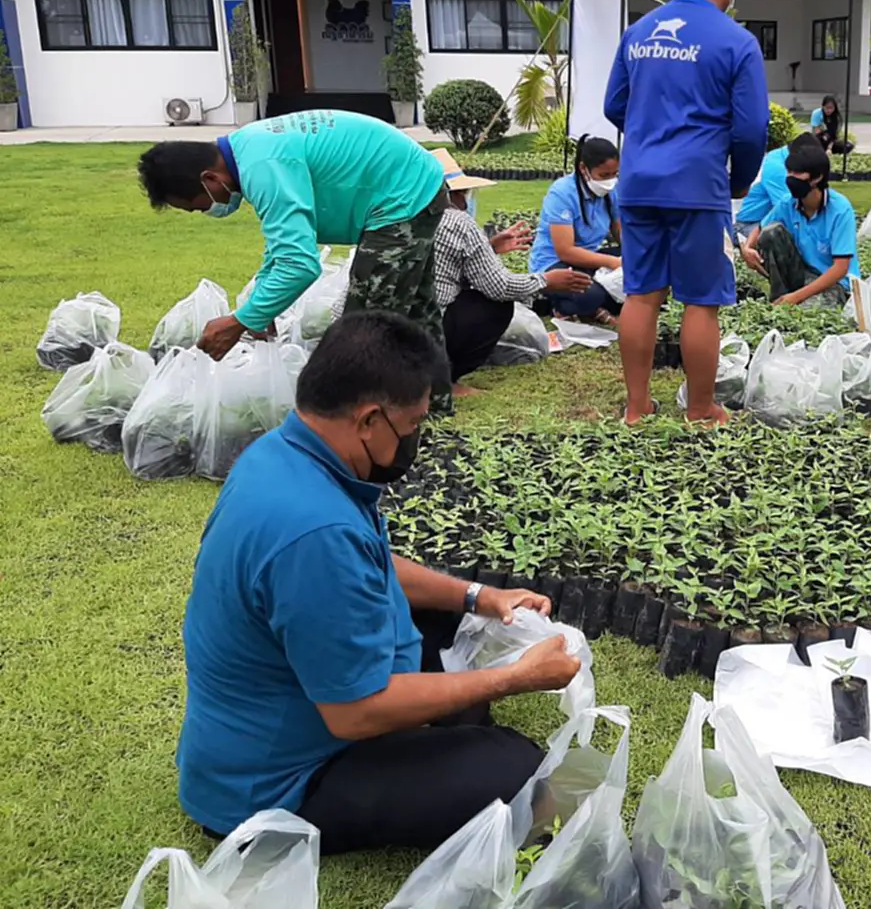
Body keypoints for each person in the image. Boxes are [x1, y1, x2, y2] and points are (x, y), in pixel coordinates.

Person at [176, 311, 580, 855]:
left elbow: (372, 564)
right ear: (369, 420)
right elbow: (355, 713)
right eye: (411, 426)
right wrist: (511, 678)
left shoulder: (284, 455)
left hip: (264, 729)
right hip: (275, 789)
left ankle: (443, 719)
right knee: (520, 772)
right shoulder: (314, 533)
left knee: (447, 618)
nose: (415, 438)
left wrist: (481, 597)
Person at [137, 109, 454, 412]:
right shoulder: (248, 151)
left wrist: (239, 322)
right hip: (416, 183)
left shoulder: (262, 166)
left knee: (365, 328)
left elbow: (300, 264)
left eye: (198, 206)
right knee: (417, 310)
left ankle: (366, 423)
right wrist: (261, 305)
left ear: (210, 178)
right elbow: (283, 242)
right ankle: (435, 408)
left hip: (402, 198)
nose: (206, 211)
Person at [604, 0, 768, 426]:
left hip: (638, 184)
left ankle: (637, 407)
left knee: (641, 294)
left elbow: (614, 105)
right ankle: (700, 409)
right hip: (697, 186)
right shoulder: (738, 42)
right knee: (701, 301)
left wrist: (651, 130)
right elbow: (751, 129)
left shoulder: (638, 33)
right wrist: (738, 182)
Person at [432, 157, 591, 396]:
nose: (466, 200)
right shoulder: (457, 221)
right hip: (431, 323)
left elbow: (442, 268)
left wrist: (488, 247)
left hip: (396, 318)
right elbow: (499, 287)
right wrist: (546, 280)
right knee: (494, 306)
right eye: (463, 193)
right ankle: (444, 380)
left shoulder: (398, 214)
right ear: (451, 194)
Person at [741, 140, 860, 308]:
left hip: (833, 283)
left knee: (807, 311)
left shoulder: (840, 210)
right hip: (802, 274)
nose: (790, 178)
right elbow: (760, 228)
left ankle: (787, 301)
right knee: (771, 233)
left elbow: (840, 268)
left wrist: (796, 297)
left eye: (797, 173)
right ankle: (779, 297)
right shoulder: (788, 202)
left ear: (817, 177)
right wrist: (747, 249)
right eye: (789, 172)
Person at [528, 135, 623, 324]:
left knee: (645, 266)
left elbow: (620, 231)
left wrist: (633, 257)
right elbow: (565, 251)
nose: (610, 181)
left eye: (615, 174)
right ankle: (562, 304)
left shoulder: (611, 192)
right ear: (583, 168)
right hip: (556, 264)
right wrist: (614, 262)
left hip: (590, 258)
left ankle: (592, 303)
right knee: (592, 295)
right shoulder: (562, 193)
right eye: (604, 175)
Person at [734, 132, 825, 239]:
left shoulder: (779, 156)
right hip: (746, 225)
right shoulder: (778, 170)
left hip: (761, 221)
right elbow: (789, 212)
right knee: (794, 238)